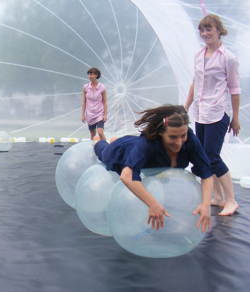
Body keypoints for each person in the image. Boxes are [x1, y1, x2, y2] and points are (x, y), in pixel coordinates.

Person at [94, 105, 213, 232]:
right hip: (120, 152)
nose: (179, 142)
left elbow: (206, 173)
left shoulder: (190, 139)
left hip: (138, 150)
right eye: (173, 137)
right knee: (103, 151)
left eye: (182, 136)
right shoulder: (147, 143)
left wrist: (206, 204)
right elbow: (126, 176)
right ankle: (99, 141)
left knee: (133, 147)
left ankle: (116, 140)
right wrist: (153, 204)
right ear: (161, 133)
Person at [184, 14, 240, 216]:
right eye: (202, 30)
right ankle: (216, 197)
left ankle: (231, 200)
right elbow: (195, 82)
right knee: (203, 156)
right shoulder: (199, 55)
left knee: (212, 157)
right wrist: (186, 106)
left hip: (218, 112)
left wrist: (235, 118)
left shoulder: (228, 57)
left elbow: (234, 89)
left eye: (209, 29)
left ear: (219, 30)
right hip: (200, 112)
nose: (205, 33)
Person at [81, 67, 108, 140]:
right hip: (90, 114)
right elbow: (84, 102)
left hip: (99, 113)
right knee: (92, 134)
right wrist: (83, 115)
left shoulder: (102, 87)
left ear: (96, 75)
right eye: (89, 74)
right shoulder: (85, 87)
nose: (90, 76)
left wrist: (105, 115)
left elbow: (105, 102)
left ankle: (107, 148)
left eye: (92, 74)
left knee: (100, 132)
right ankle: (92, 149)